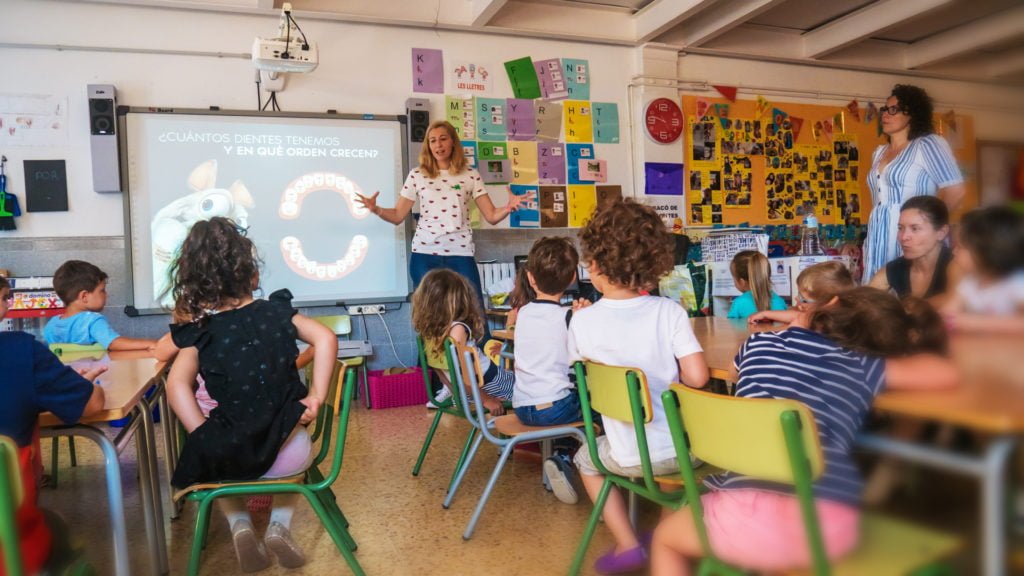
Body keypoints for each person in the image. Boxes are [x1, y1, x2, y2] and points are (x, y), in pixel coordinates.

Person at [651, 288, 957, 576]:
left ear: (830, 303)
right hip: (826, 530)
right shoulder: (864, 365)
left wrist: (794, 326)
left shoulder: (757, 344)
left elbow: (733, 372)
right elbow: (946, 373)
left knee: (665, 538)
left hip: (743, 521)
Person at [165, 217, 338, 573]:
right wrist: (316, 395)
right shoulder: (276, 313)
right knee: (294, 464)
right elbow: (326, 338)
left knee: (216, 467)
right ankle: (278, 526)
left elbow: (176, 386)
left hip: (230, 456)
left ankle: (240, 525)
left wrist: (202, 433)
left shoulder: (201, 332)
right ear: (252, 275)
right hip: (286, 451)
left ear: (196, 282)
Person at [568, 199, 710, 574]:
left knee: (585, 460)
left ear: (595, 264)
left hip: (626, 452)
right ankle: (666, 534)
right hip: (681, 452)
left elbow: (580, 369)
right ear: (652, 263)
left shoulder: (582, 321)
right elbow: (697, 378)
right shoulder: (669, 312)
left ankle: (628, 543)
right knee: (674, 465)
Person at [0, 274, 107, 575]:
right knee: (54, 525)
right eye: (5, 298)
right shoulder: (21, 351)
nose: (8, 306)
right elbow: (92, 404)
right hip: (11, 532)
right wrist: (86, 385)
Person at [353, 120, 530, 301]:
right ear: (428, 146)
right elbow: (398, 215)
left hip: (460, 252)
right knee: (430, 312)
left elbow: (491, 215)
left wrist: (508, 208)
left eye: (443, 139)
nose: (438, 145)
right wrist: (376, 209)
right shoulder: (417, 175)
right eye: (433, 140)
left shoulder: (470, 175)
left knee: (474, 308)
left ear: (453, 142)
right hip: (425, 253)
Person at [508, 236, 590, 505]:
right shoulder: (569, 317)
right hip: (555, 408)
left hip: (522, 406)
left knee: (571, 397)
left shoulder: (522, 313)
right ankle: (573, 460)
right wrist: (584, 317)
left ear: (530, 278)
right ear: (572, 278)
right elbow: (583, 355)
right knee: (597, 407)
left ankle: (562, 457)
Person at [862, 84, 965, 283]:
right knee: (876, 290)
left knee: (909, 287)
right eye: (885, 109)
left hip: (914, 234)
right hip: (878, 235)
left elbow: (956, 190)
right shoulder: (879, 152)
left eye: (894, 109)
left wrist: (932, 228)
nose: (885, 114)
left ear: (913, 114)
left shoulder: (927, 144)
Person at [411, 268, 515, 416]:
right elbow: (462, 371)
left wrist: (457, 393)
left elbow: (440, 370)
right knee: (534, 385)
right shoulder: (458, 329)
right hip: (489, 385)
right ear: (459, 300)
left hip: (466, 392)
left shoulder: (429, 334)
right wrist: (486, 400)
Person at [942, 206, 1024, 334]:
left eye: (960, 247)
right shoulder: (969, 283)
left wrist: (973, 323)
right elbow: (947, 315)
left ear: (987, 251)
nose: (954, 252)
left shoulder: (1016, 283)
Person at [43, 260, 156, 351]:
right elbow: (114, 343)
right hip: (95, 371)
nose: (107, 295)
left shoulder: (51, 325)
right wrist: (151, 343)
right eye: (102, 290)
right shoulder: (91, 321)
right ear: (84, 296)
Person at [868, 196, 957, 301]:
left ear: (941, 233)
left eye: (915, 228)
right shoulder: (896, 268)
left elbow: (954, 303)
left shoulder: (957, 265)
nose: (904, 237)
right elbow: (864, 299)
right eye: (900, 228)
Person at [749, 261, 856, 326]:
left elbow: (797, 317)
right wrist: (765, 313)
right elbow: (795, 315)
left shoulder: (832, 323)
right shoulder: (822, 314)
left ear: (831, 303)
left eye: (803, 299)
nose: (797, 299)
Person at [726, 251, 787, 320]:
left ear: (742, 282)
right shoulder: (780, 301)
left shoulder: (738, 303)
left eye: (733, 278)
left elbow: (730, 325)